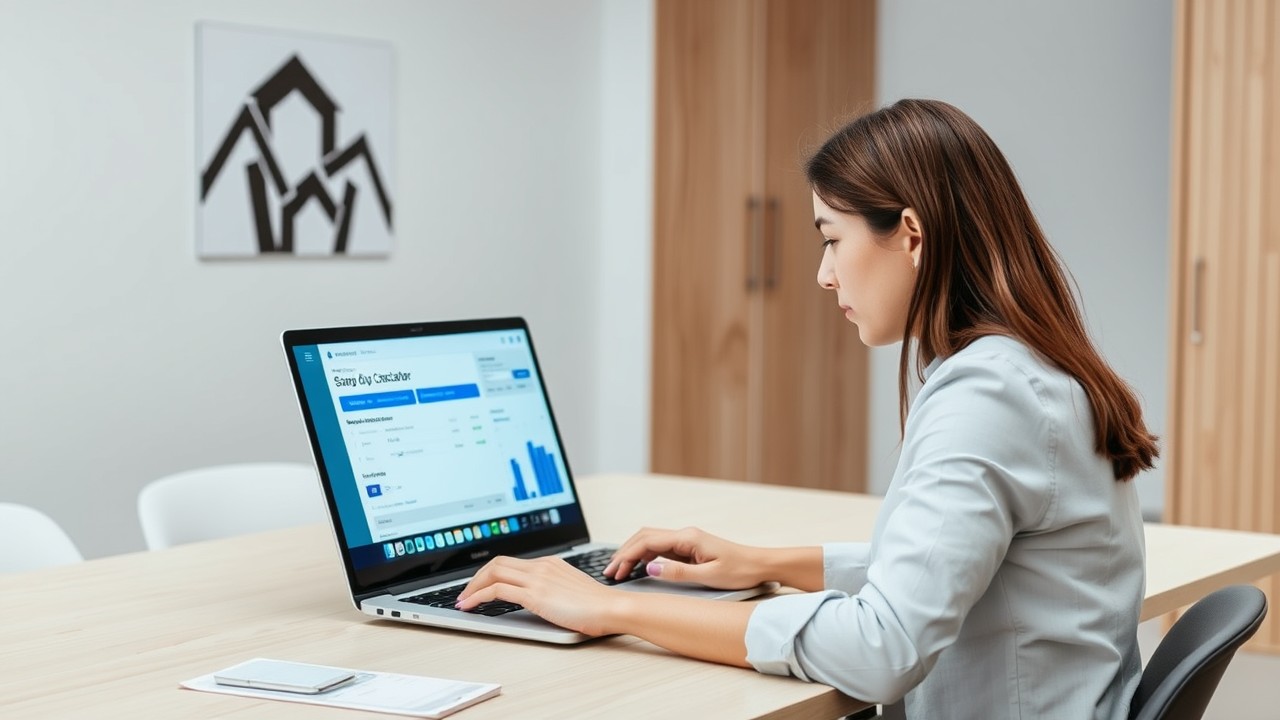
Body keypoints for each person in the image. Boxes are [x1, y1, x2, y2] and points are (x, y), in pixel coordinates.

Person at [458, 98, 1159, 719]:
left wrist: (615, 608)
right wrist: (762, 561)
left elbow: (882, 647)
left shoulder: (989, 397)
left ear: (911, 233)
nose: (824, 275)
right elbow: (950, 568)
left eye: (831, 239)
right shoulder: (1026, 367)